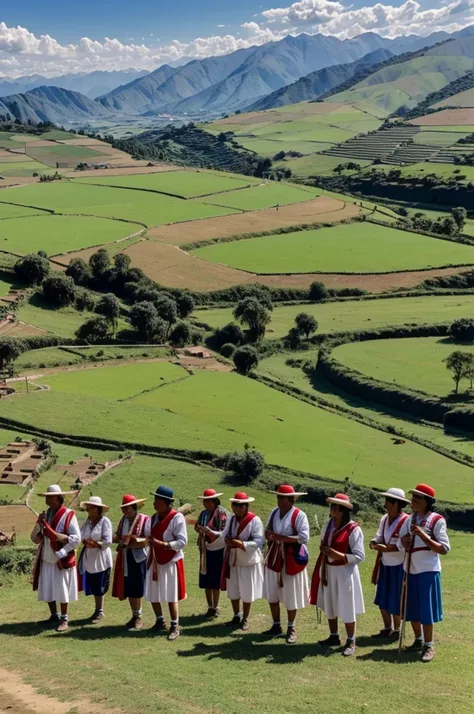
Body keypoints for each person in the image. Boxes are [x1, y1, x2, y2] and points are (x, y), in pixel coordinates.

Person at [398, 483, 450, 663]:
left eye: (417, 498)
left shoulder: (436, 520)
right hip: (410, 568)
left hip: (428, 570)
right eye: (413, 498)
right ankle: (418, 640)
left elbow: (443, 548)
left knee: (426, 610)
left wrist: (422, 534)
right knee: (412, 608)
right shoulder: (409, 519)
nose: (413, 502)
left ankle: (429, 645)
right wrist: (404, 541)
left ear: (427, 501)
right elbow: (400, 543)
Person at [310, 493, 365, 657]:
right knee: (330, 601)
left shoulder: (353, 529)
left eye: (335, 507)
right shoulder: (328, 525)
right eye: (331, 506)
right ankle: (334, 636)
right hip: (329, 569)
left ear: (343, 511)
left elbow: (359, 556)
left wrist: (337, 554)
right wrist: (325, 550)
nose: (332, 509)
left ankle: (351, 639)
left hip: (345, 572)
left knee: (347, 605)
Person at [263, 484, 310, 644]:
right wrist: (269, 535)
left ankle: (291, 627)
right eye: (278, 497)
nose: (279, 500)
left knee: (291, 593)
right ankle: (276, 624)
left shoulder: (299, 515)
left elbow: (304, 537)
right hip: (275, 555)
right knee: (272, 591)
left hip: (291, 557)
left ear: (291, 500)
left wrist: (283, 538)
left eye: (282, 498)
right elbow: (268, 530)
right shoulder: (274, 513)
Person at [30, 484, 80, 633]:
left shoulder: (69, 515)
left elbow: (76, 539)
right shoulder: (45, 515)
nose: (47, 499)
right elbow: (36, 538)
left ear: (58, 498)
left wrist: (63, 551)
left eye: (50, 497)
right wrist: (39, 524)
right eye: (47, 496)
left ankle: (64, 618)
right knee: (48, 587)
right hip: (47, 556)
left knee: (61, 589)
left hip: (59, 558)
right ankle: (54, 615)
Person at [145, 485, 188, 641]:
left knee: (171, 593)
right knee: (153, 591)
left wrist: (164, 545)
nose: (154, 503)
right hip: (156, 558)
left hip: (170, 559)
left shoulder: (177, 518)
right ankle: (159, 620)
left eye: (157, 499)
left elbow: (182, 541)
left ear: (165, 502)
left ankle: (175, 625)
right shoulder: (154, 518)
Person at [369, 487, 409, 639]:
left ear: (396, 504)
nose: (385, 504)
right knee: (383, 596)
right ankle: (387, 627)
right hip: (385, 563)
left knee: (396, 597)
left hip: (399, 565)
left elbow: (404, 543)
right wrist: (374, 543)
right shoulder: (384, 519)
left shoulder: (406, 521)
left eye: (388, 501)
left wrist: (387, 548)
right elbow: (379, 535)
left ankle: (397, 629)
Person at [221, 491, 264, 631]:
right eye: (236, 505)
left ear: (246, 506)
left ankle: (245, 618)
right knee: (233, 589)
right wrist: (227, 539)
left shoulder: (254, 520)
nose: (238, 508)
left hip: (247, 561)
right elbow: (224, 534)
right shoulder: (231, 519)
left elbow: (258, 541)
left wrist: (240, 543)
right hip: (233, 558)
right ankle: (236, 615)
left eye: (241, 506)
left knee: (246, 590)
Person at [112, 493, 149, 630]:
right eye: (123, 508)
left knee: (137, 586)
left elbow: (146, 540)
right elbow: (118, 534)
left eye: (127, 508)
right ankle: (134, 615)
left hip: (139, 557)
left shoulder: (144, 519)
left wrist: (131, 543)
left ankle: (138, 616)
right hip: (125, 557)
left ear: (134, 507)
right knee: (128, 586)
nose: (125, 511)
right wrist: (116, 538)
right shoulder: (123, 520)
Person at [77, 495, 113, 623]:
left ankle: (100, 611)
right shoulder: (87, 522)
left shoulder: (105, 522)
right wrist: (84, 541)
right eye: (88, 508)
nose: (89, 511)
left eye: (91, 508)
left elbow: (108, 541)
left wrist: (96, 544)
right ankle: (97, 610)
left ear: (97, 509)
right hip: (90, 558)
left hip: (101, 557)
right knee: (94, 583)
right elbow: (81, 535)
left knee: (100, 584)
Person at [195, 488, 228, 618]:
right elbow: (198, 524)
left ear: (213, 501)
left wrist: (210, 532)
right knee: (206, 579)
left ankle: (216, 606)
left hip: (218, 549)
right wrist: (199, 529)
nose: (205, 504)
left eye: (207, 501)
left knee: (215, 581)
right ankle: (210, 606)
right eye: (204, 501)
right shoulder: (203, 514)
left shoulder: (222, 513)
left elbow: (223, 532)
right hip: (205, 549)